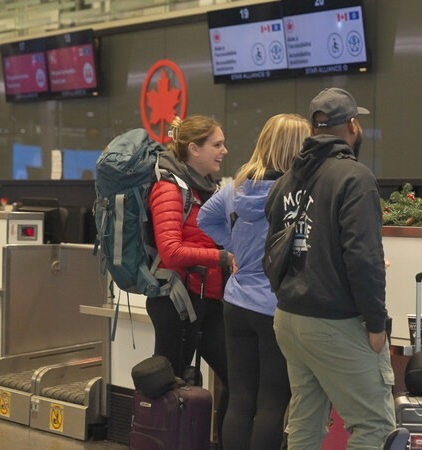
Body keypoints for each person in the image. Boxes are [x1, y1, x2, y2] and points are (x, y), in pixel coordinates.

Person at [265, 88, 408, 450]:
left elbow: (271, 246)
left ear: (313, 130)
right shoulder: (353, 178)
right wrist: (376, 325)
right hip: (335, 323)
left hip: (289, 318)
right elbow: (364, 258)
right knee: (374, 426)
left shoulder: (286, 180)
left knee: (306, 421)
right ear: (354, 126)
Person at [197, 113, 310, 450]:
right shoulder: (295, 192)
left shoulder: (236, 186)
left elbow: (205, 219)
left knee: (241, 397)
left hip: (235, 304)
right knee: (272, 402)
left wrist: (235, 249)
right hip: (275, 306)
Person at [146, 115, 232, 446]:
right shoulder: (169, 188)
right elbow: (170, 251)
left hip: (207, 302)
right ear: (193, 149)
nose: (224, 150)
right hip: (176, 304)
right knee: (169, 389)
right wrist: (221, 258)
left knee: (235, 378)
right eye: (217, 144)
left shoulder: (206, 189)